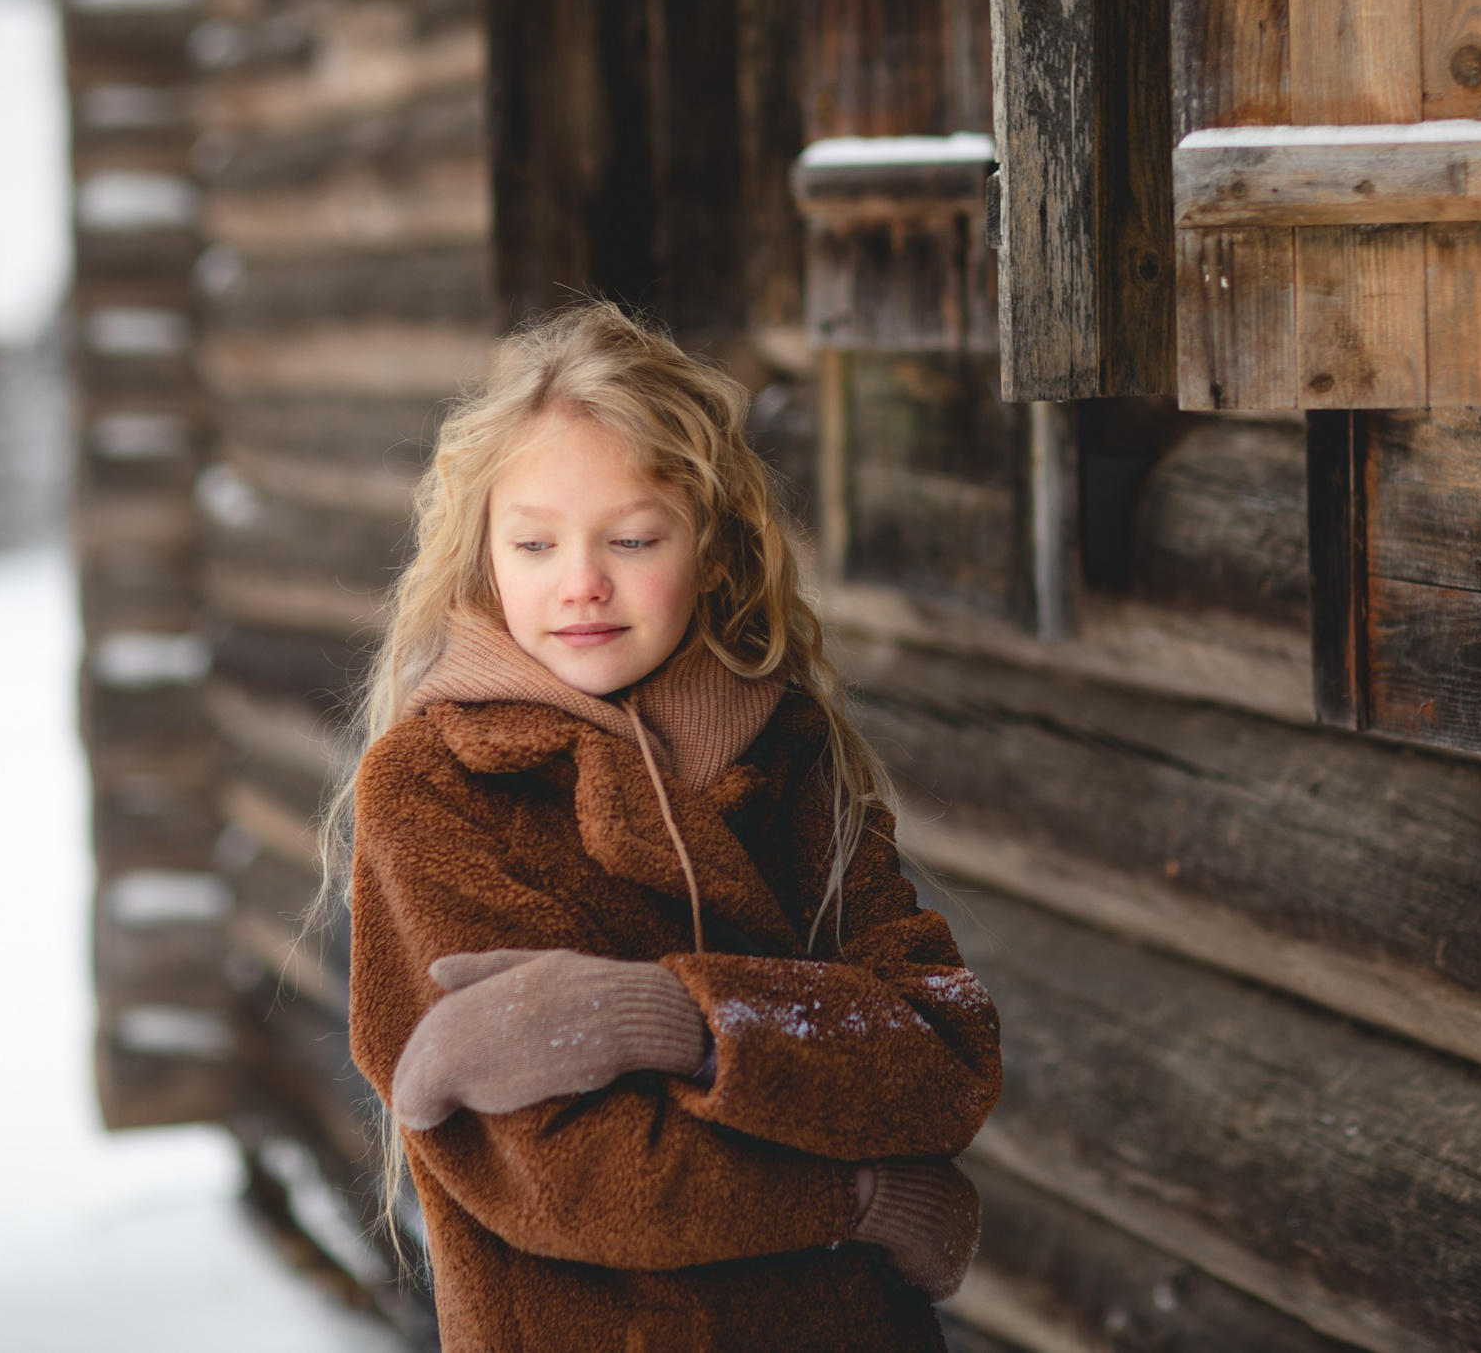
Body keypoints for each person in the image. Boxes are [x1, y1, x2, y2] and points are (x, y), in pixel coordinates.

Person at [331, 302, 1001, 1352]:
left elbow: (945, 1052)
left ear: (713, 550)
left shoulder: (788, 750)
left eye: (633, 538)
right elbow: (572, 1178)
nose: (581, 582)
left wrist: (680, 1018)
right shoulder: (437, 788)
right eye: (535, 542)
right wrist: (865, 1198)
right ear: (484, 555)